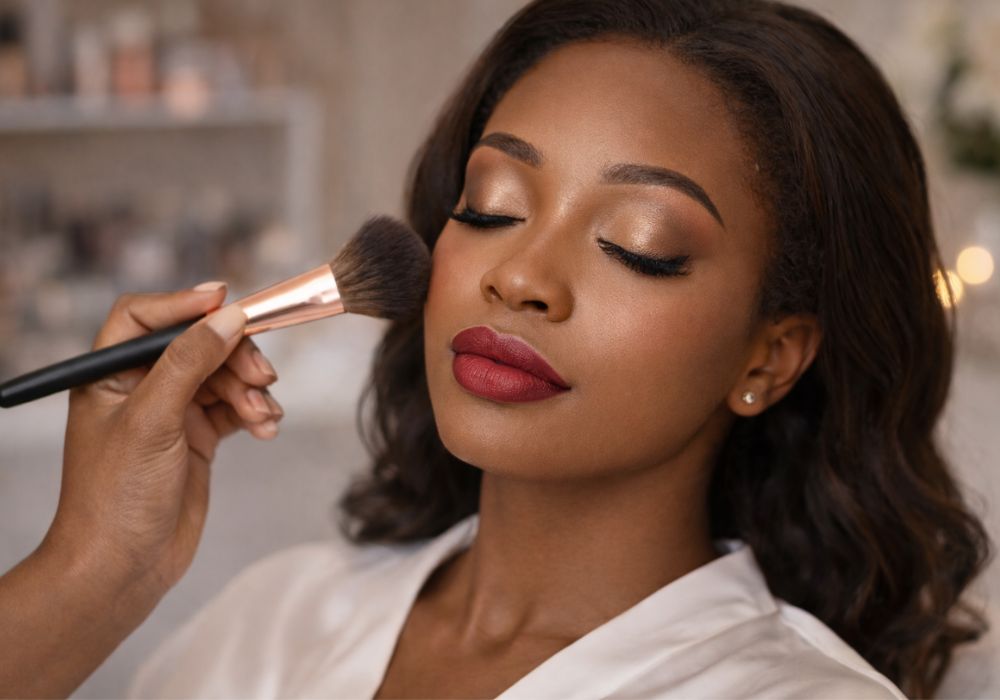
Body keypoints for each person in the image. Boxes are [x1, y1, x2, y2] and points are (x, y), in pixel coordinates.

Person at [0, 0, 992, 697]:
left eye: (637, 245)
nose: (520, 277)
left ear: (767, 360)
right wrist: (90, 569)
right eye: (491, 206)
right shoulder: (279, 617)